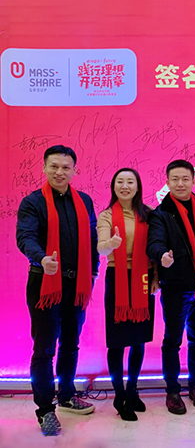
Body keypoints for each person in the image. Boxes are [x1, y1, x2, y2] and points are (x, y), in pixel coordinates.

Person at [16, 145, 99, 436]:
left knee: (71, 343)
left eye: (65, 167)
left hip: (77, 285)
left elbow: (92, 238)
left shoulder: (84, 201)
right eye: (54, 166)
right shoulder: (33, 202)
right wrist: (42, 258)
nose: (59, 172)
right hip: (45, 283)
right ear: (44, 168)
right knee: (44, 349)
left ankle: (66, 395)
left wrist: (93, 272)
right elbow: (25, 236)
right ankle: (45, 410)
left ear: (75, 170)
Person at [147, 159, 195, 415]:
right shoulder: (161, 213)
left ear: (193, 181)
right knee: (173, 341)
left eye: (185, 179)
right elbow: (154, 242)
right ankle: (172, 390)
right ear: (167, 182)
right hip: (175, 287)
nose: (180, 183)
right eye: (175, 179)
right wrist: (161, 255)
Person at [97, 168, 159, 421]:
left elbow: (155, 248)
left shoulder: (149, 214)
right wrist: (110, 244)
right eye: (120, 182)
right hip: (118, 278)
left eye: (130, 182)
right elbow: (101, 248)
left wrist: (156, 278)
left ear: (137, 186)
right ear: (114, 186)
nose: (125, 186)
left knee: (138, 339)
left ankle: (132, 389)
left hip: (143, 278)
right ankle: (119, 394)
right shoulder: (106, 216)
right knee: (117, 341)